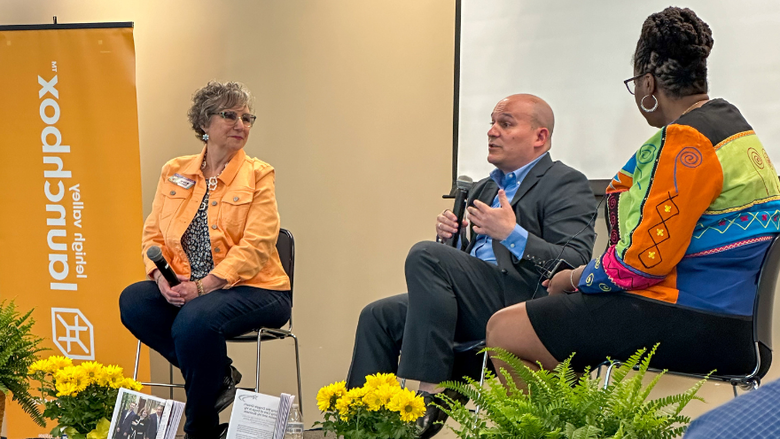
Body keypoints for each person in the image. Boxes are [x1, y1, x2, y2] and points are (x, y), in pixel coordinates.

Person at [486, 7, 780, 383]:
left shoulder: (688, 141)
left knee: (505, 330)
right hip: (737, 322)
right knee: (555, 331)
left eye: (635, 84)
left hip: (694, 318)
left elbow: (645, 262)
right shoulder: (734, 127)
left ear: (648, 84)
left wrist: (574, 278)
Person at [346, 94, 598, 438]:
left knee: (425, 255)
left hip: (525, 303)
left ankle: (425, 397)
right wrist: (449, 240)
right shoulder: (484, 187)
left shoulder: (566, 183)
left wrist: (512, 234)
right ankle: (363, 425)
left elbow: (575, 260)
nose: (492, 132)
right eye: (492, 123)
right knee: (379, 316)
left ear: (540, 137)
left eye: (506, 124)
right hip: (475, 298)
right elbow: (459, 263)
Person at [119, 81, 292, 439]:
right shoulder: (175, 170)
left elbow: (258, 245)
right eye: (229, 115)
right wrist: (161, 278)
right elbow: (153, 236)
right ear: (204, 123)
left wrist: (204, 286)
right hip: (189, 287)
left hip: (257, 289)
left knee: (194, 321)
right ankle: (220, 376)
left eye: (247, 118)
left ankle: (200, 430)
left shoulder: (259, 174)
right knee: (133, 301)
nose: (240, 124)